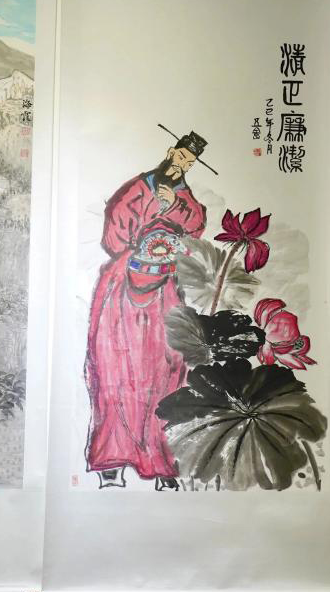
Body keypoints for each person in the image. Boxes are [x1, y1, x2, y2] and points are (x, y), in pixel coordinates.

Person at [85, 132, 208, 489]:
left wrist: (174, 208)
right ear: (170, 152)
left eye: (189, 163)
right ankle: (111, 461)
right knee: (114, 369)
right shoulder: (136, 190)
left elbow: (195, 233)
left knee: (166, 370)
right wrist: (147, 236)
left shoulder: (186, 199)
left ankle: (160, 462)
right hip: (122, 289)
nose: (182, 166)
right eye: (180, 157)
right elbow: (113, 238)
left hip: (164, 289)